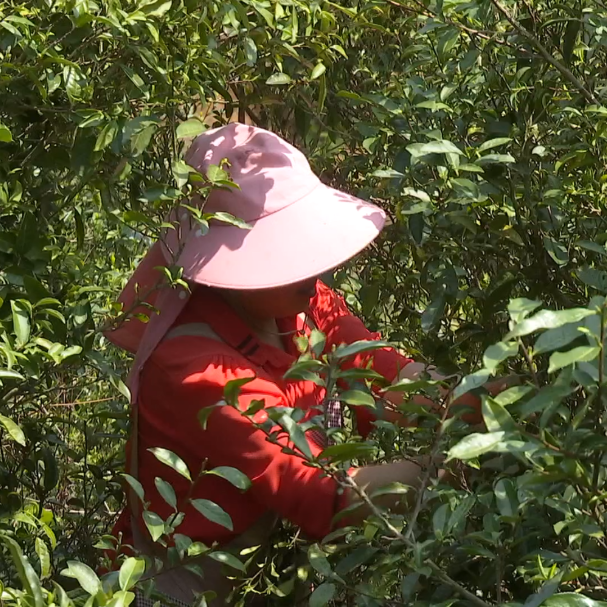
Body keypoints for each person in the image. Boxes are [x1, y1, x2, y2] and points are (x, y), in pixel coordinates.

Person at [102, 123, 511, 607]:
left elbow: (387, 375)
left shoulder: (299, 302)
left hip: (273, 576)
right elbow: (323, 495)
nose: (313, 270)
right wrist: (454, 464)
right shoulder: (196, 369)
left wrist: (483, 399)